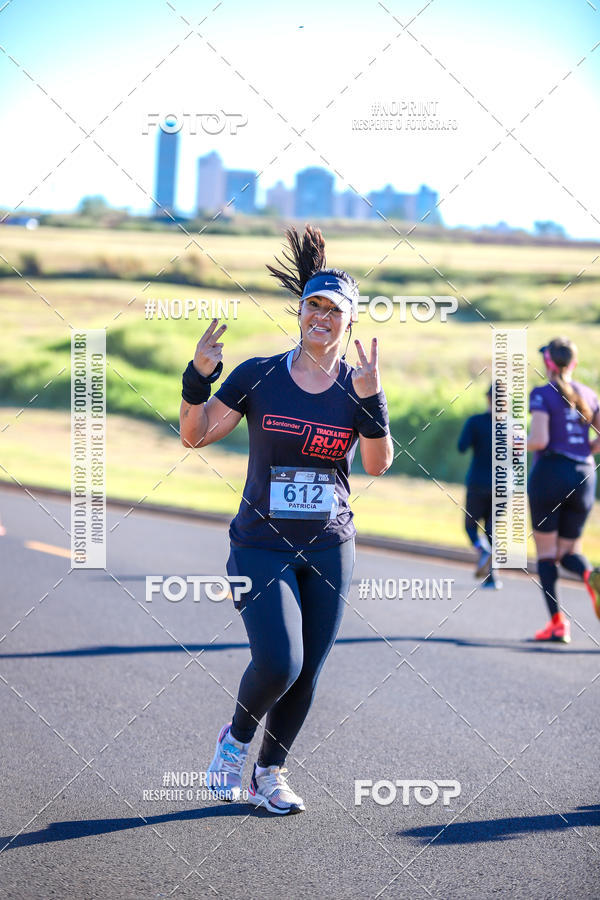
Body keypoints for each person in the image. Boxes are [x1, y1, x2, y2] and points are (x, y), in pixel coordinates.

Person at [179, 224, 393, 814]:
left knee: (308, 672)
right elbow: (195, 435)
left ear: (350, 321)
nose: (321, 317)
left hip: (330, 545)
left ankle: (269, 774)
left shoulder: (358, 384)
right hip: (260, 543)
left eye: (334, 310)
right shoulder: (259, 374)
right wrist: (197, 377)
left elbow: (376, 465)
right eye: (313, 306)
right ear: (300, 312)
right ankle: (233, 745)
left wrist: (373, 401)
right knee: (281, 661)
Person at [527, 337, 600, 643]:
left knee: (547, 555)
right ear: (574, 363)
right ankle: (592, 575)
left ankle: (558, 624)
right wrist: (584, 449)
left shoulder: (542, 393)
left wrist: (514, 441)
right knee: (568, 552)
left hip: (550, 474)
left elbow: (540, 440)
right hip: (584, 475)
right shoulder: (590, 394)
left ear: (548, 363)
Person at [457, 384, 502, 589]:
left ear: (488, 399)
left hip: (478, 483)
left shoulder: (475, 422)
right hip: (502, 486)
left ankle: (482, 549)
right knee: (492, 530)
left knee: (470, 527)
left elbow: (462, 447)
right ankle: (492, 578)